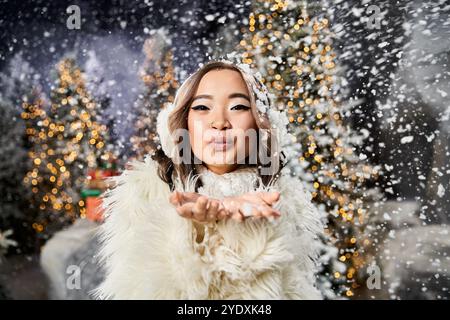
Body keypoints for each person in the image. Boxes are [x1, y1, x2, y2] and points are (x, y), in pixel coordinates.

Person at [94, 59, 324, 299]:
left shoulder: (286, 205)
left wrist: (247, 232)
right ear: (184, 122)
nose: (219, 123)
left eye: (238, 107)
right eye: (202, 107)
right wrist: (193, 230)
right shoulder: (142, 199)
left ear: (259, 124)